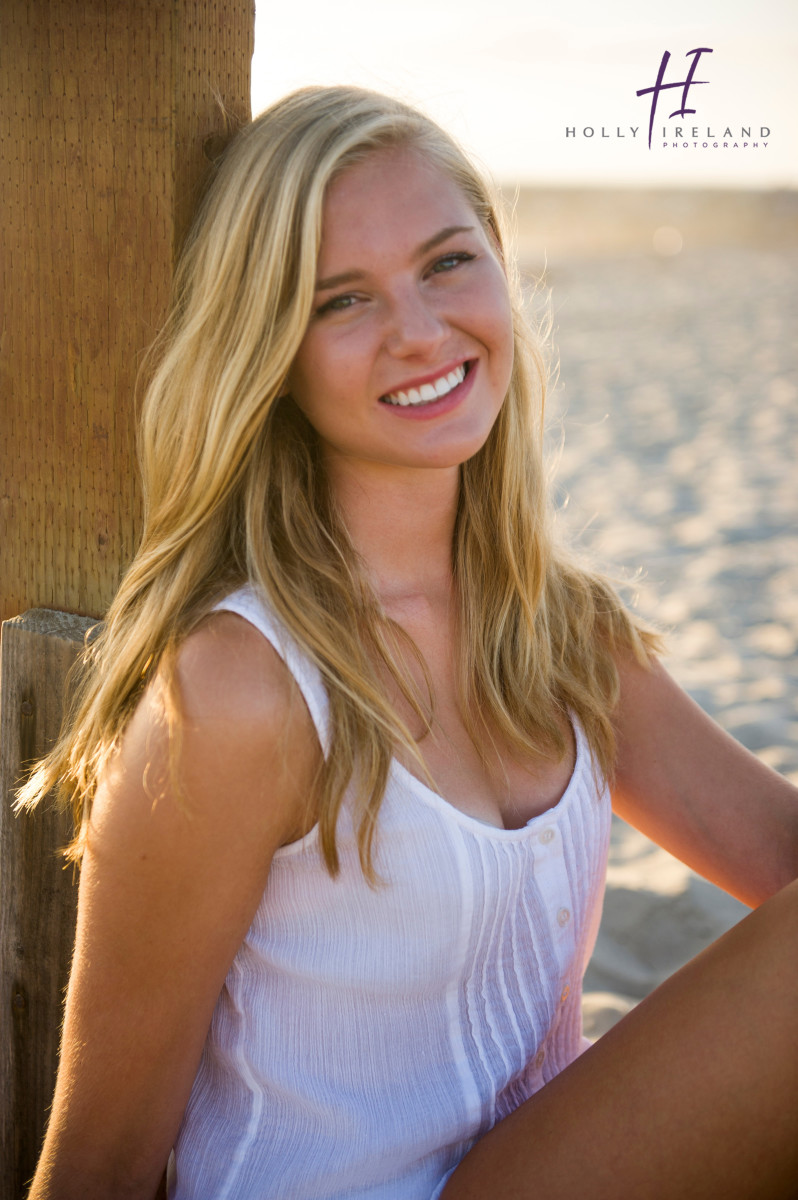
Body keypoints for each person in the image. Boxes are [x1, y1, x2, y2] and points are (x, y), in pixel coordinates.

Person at [19, 86, 798, 1200]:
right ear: (271, 354)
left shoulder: (561, 634)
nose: (421, 331)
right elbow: (95, 1163)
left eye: (445, 263)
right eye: (342, 301)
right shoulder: (243, 691)